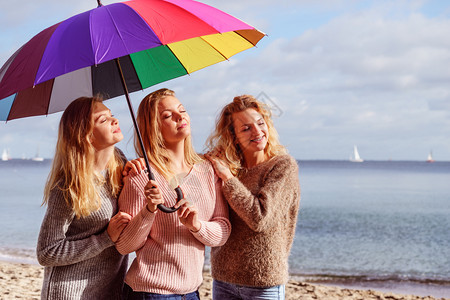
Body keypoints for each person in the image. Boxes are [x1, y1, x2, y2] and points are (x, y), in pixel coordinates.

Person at [115, 88, 231, 300]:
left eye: (182, 110)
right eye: (168, 116)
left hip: (191, 293)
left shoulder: (207, 170)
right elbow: (124, 246)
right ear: (154, 128)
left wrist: (197, 226)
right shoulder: (141, 175)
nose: (180, 116)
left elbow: (222, 231)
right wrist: (149, 210)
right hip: (150, 293)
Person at [205, 95, 301, 300]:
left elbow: (260, 218)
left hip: (264, 284)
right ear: (233, 135)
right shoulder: (229, 167)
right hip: (223, 280)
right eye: (246, 128)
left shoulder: (282, 166)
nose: (257, 132)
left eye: (260, 123)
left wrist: (228, 178)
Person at [36, 96, 131, 299]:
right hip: (71, 292)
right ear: (86, 136)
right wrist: (105, 238)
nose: (115, 121)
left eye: (111, 115)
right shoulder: (68, 187)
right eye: (103, 120)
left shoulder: (121, 163)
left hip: (110, 289)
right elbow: (46, 252)